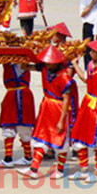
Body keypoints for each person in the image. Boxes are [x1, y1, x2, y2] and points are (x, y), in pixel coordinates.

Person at [17, 46, 74, 180]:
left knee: (60, 139)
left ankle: (60, 170)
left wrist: (61, 120)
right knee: (40, 137)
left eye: (50, 63)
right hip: (46, 107)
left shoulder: (65, 77)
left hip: (58, 108)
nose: (47, 65)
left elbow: (66, 101)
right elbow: (27, 67)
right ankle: (34, 169)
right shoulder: (44, 68)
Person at [69, 39, 97, 182]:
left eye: (93, 51)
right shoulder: (90, 65)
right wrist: (75, 65)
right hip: (87, 104)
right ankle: (83, 168)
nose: (91, 53)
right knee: (80, 136)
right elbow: (86, 79)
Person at [0, 61, 35, 169]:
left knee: (18, 127)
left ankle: (10, 158)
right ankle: (26, 157)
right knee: (13, 126)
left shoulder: (19, 61)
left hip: (19, 95)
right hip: (16, 95)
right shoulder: (12, 60)